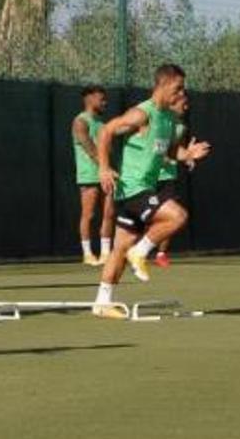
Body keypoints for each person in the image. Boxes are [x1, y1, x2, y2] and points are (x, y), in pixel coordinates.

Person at [90, 65, 211, 319]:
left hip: (143, 189)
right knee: (177, 216)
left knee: (119, 248)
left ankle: (102, 301)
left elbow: (168, 151)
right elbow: (106, 130)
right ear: (162, 85)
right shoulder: (142, 113)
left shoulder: (169, 119)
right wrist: (103, 167)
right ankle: (142, 251)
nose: (181, 94)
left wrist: (187, 154)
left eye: (183, 89)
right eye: (178, 88)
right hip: (133, 188)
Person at [73, 85, 114, 266]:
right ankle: (88, 254)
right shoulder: (80, 122)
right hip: (89, 175)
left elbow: (108, 149)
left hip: (106, 174)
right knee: (88, 215)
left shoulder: (103, 123)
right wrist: (105, 168)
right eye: (101, 99)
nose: (105, 102)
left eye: (105, 99)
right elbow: (90, 149)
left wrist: (110, 169)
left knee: (109, 213)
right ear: (89, 99)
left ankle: (106, 254)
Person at [153, 95, 194, 268]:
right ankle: (133, 251)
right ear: (172, 104)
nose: (186, 107)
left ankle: (161, 254)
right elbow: (156, 149)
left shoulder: (181, 127)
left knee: (172, 217)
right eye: (183, 104)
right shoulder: (159, 122)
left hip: (168, 177)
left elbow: (176, 148)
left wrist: (188, 156)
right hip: (149, 178)